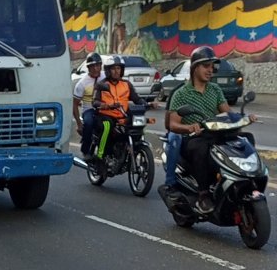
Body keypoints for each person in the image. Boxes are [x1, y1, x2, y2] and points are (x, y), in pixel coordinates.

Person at [167, 46, 256, 214]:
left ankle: (243, 179)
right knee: (201, 147)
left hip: (215, 133)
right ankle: (203, 194)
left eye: (212, 66)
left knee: (246, 139)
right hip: (194, 137)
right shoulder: (181, 94)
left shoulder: (215, 90)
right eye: (206, 66)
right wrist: (189, 127)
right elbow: (173, 124)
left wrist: (244, 118)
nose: (211, 70)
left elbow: (227, 113)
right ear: (195, 68)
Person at [92, 55, 155, 159]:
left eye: (118, 68)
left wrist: (147, 104)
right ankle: (100, 156)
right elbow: (95, 102)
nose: (116, 71)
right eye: (113, 68)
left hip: (123, 115)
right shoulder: (102, 84)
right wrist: (106, 105)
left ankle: (131, 148)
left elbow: (136, 99)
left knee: (138, 124)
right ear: (108, 70)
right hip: (106, 115)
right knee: (107, 125)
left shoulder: (126, 84)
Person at [73, 53, 104, 161]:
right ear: (88, 68)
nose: (96, 69)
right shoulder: (81, 84)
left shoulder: (106, 77)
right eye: (93, 66)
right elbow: (75, 104)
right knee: (89, 123)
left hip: (105, 108)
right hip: (89, 110)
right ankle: (85, 150)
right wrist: (79, 123)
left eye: (98, 65)